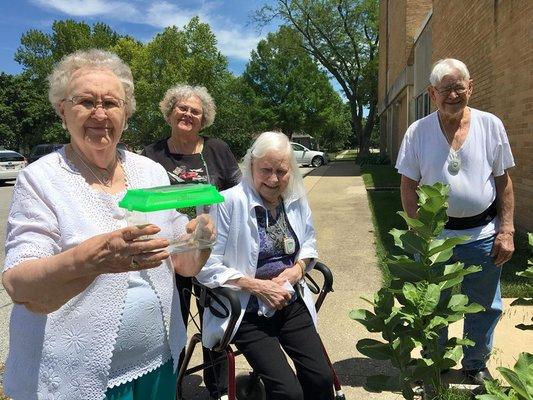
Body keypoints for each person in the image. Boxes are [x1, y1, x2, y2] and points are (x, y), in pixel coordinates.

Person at [1, 49, 214, 400]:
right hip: (76, 377)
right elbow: (18, 284)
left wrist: (200, 242)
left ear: (125, 114)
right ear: (62, 111)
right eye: (86, 101)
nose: (100, 113)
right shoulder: (40, 179)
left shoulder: (150, 171)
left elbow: (183, 263)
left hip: (157, 363)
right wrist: (92, 259)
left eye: (111, 103)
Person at [395, 58, 515, 385]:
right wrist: (419, 232)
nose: (452, 95)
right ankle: (438, 364)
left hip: (483, 235)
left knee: (484, 305)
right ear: (432, 93)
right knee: (435, 305)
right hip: (436, 238)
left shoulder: (491, 125)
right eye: (445, 89)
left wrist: (506, 229)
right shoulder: (417, 132)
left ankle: (475, 365)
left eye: (458, 87)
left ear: (470, 88)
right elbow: (408, 186)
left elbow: (503, 182)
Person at [197, 131, 334, 400]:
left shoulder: (294, 199)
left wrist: (297, 270)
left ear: (291, 171)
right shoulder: (228, 203)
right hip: (246, 309)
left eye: (281, 171)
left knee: (321, 377)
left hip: (288, 300)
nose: (273, 179)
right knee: (288, 392)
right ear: (251, 167)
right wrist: (258, 286)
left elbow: (309, 243)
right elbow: (206, 266)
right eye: (266, 170)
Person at [143, 84, 241, 399]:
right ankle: (168, 387)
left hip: (213, 250)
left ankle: (219, 388)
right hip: (170, 254)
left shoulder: (218, 149)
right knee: (170, 324)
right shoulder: (151, 155)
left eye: (195, 111)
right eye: (182, 108)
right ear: (169, 113)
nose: (188, 114)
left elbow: (238, 194)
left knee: (216, 318)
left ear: (204, 119)